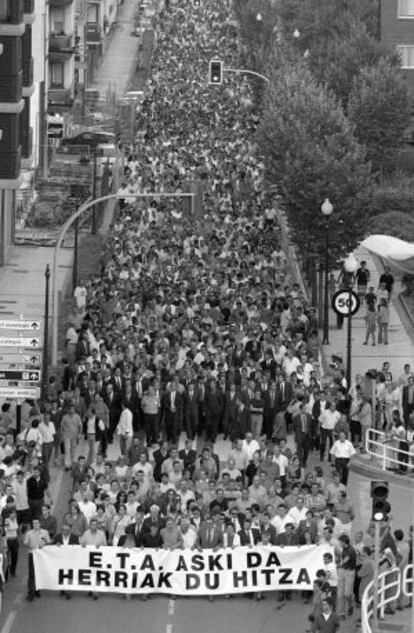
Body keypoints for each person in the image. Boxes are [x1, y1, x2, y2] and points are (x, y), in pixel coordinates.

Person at [24, 518, 50, 601]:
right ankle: (30, 593)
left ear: (40, 524)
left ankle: (37, 590)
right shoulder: (29, 533)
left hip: (42, 555)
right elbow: (25, 543)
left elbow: (49, 541)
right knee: (32, 574)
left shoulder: (45, 532)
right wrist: (30, 546)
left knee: (39, 573)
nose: (35, 525)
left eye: (37, 523)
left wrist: (44, 543)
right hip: (32, 555)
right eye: (34, 523)